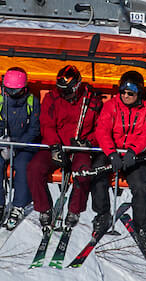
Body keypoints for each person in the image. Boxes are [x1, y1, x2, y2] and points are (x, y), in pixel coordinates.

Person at [25, 65, 102, 233]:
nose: (63, 94)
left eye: (67, 91)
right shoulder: (52, 98)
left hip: (79, 147)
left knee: (83, 171)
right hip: (56, 145)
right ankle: (44, 208)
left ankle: (74, 209)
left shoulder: (91, 101)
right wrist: (54, 145)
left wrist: (88, 142)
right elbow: (46, 124)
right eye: (61, 90)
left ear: (76, 86)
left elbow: (99, 127)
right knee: (34, 168)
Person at [90, 70, 146, 240]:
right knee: (97, 173)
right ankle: (102, 214)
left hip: (134, 154)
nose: (126, 96)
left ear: (139, 92)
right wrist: (111, 153)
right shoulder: (111, 105)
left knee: (140, 185)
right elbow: (102, 130)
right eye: (123, 92)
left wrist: (133, 151)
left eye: (131, 93)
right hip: (112, 151)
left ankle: (142, 226)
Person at [0, 67, 39, 228]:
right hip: (4, 143)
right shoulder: (1, 102)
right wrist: (0, 142)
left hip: (24, 145)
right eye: (9, 90)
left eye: (15, 91)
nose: (11, 94)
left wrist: (16, 144)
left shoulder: (32, 102)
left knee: (23, 166)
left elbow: (34, 129)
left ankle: (19, 205)